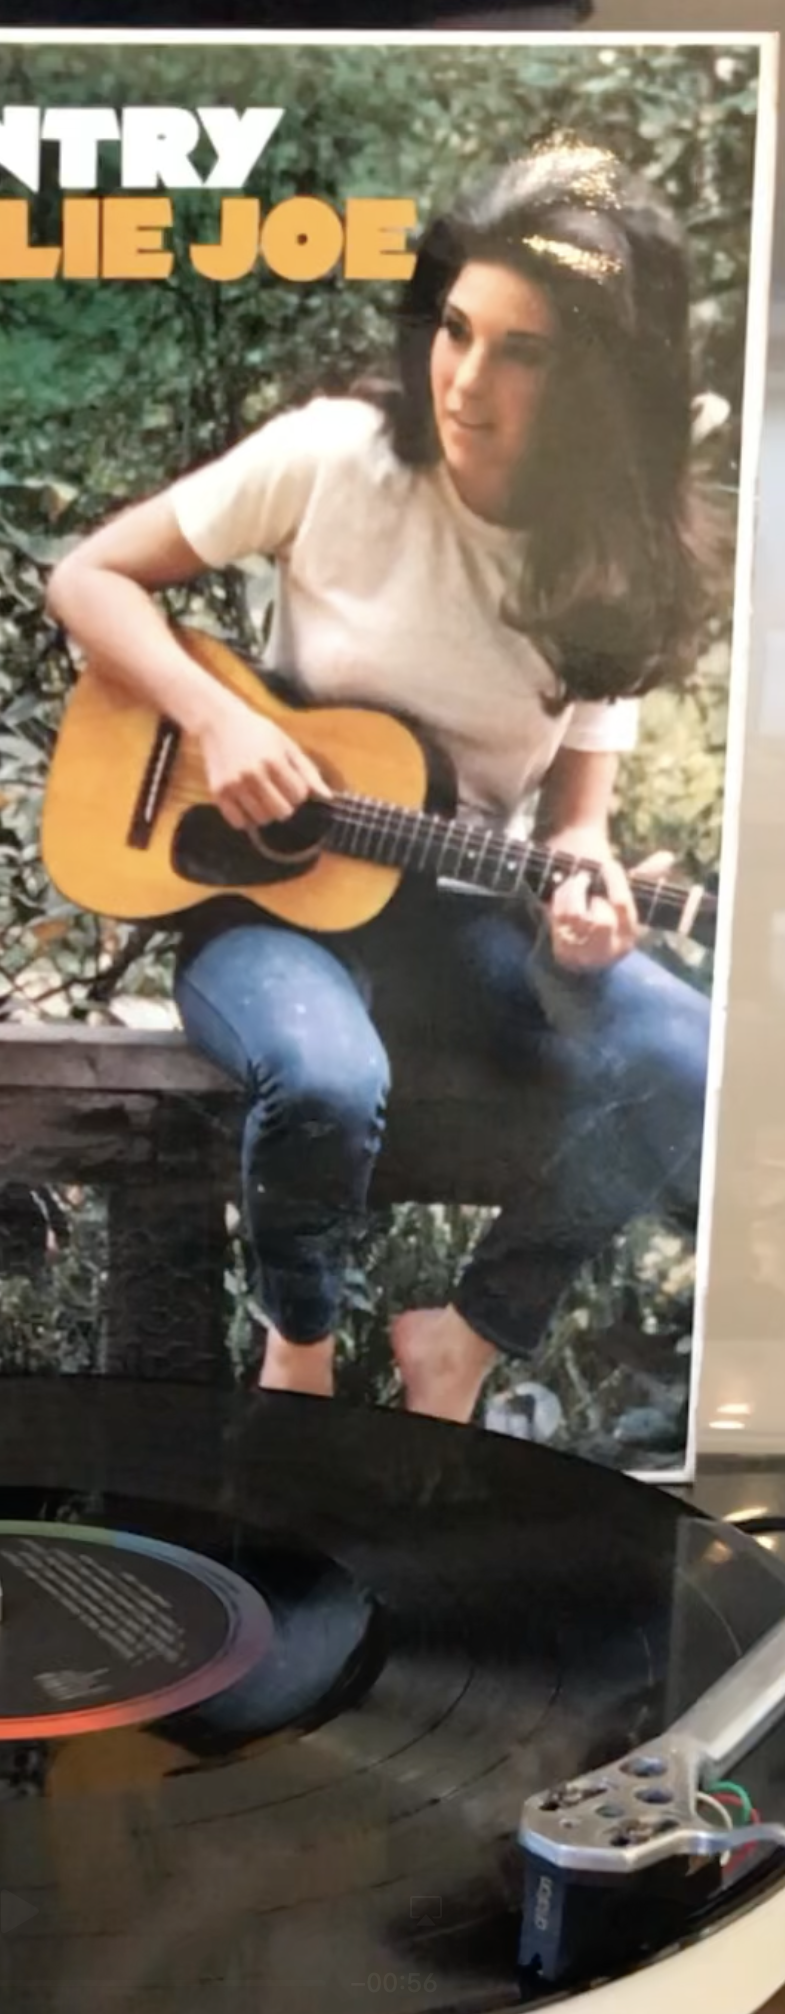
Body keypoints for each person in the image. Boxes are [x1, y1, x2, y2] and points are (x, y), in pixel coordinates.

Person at [43, 138, 723, 1425]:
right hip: (265, 907)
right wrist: (213, 717)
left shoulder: (612, 566)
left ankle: (464, 1338)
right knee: (320, 1078)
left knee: (695, 1057)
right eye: (454, 329)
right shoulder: (334, 458)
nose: (463, 380)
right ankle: (296, 1356)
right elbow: (88, 579)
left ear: (597, 379)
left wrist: (584, 906)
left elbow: (576, 828)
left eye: (522, 352)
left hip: (462, 927)